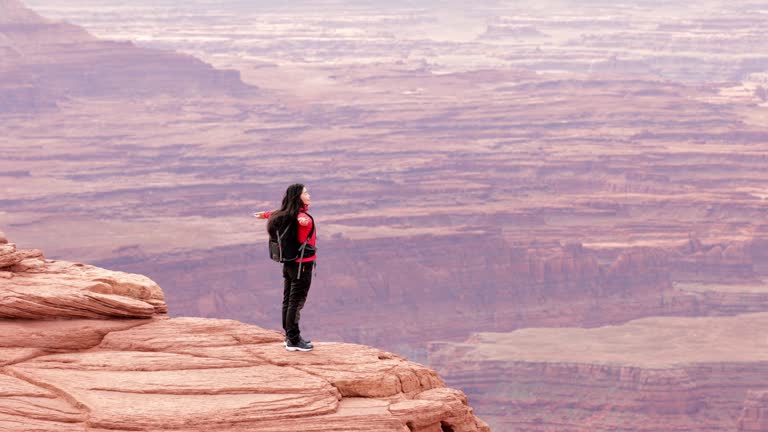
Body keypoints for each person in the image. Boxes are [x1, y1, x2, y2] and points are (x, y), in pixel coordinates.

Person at [254, 184, 316, 352]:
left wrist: (266, 214)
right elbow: (300, 220)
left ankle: (290, 336)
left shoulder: (287, 213)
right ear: (298, 197)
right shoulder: (301, 217)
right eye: (305, 193)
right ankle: (294, 340)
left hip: (289, 263)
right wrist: (302, 220)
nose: (309, 195)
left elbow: (279, 213)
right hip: (302, 266)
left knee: (288, 300)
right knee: (296, 302)